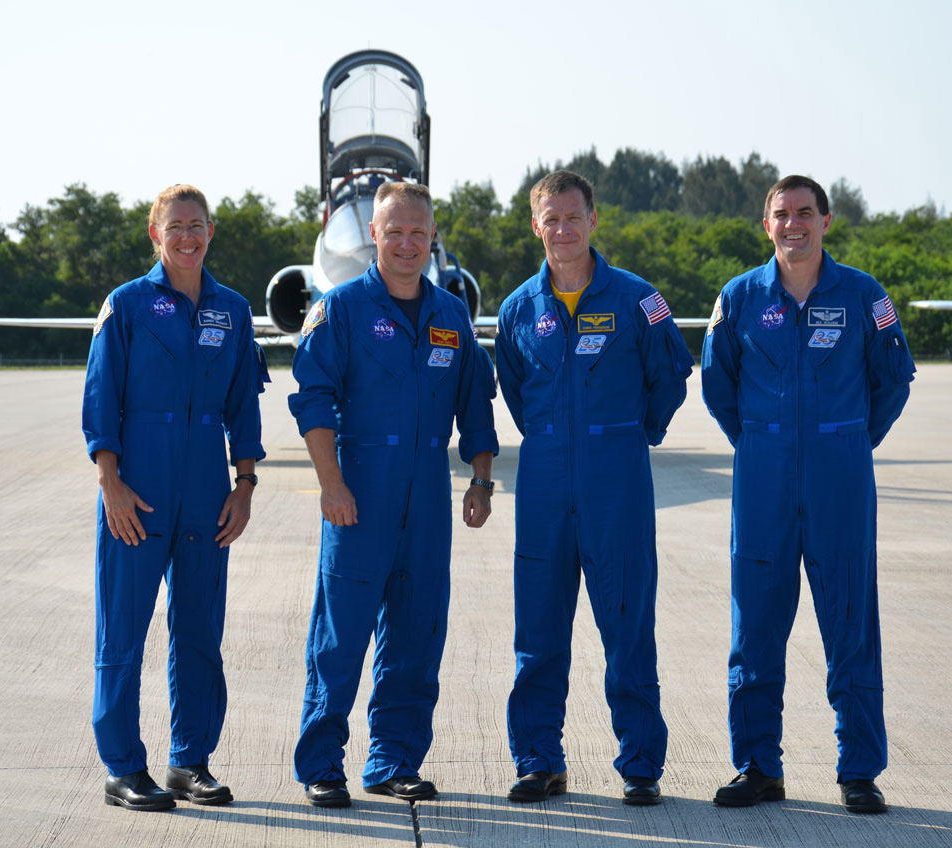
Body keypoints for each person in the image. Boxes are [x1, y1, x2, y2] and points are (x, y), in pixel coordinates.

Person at [701, 175, 915, 814]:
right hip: (762, 483)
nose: (792, 224)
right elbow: (718, 387)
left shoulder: (863, 295)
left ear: (826, 221)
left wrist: (845, 442)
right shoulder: (739, 298)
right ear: (766, 225)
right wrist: (764, 443)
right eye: (780, 214)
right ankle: (758, 765)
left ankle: (858, 770)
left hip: (840, 483)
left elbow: (893, 381)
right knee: (756, 630)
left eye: (804, 213)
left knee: (851, 624)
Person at [288, 181, 498, 808]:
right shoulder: (341, 309)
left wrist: (482, 480)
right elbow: (312, 400)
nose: (407, 243)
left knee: (416, 634)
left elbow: (476, 406)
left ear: (432, 237)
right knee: (340, 638)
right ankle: (322, 765)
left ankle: (394, 761)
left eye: (418, 232)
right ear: (373, 235)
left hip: (428, 500)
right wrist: (331, 484)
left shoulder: (451, 316)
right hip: (359, 493)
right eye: (394, 231)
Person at [494, 170, 693, 806]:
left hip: (617, 485)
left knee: (628, 626)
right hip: (546, 485)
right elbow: (519, 391)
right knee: (539, 632)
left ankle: (639, 763)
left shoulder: (640, 300)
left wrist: (636, 433)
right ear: (536, 225)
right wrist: (555, 439)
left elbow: (672, 371)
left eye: (572, 217)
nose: (562, 229)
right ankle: (538, 761)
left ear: (593, 220)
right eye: (550, 219)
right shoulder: (518, 309)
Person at [82, 185, 268, 811]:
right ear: (154, 234)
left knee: (198, 631)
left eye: (197, 225)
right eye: (175, 226)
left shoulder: (233, 311)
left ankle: (190, 760)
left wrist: (244, 486)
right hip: (137, 491)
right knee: (124, 630)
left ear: (211, 232)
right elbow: (101, 396)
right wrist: (110, 482)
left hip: (207, 493)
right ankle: (122, 767)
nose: (187, 237)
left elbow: (244, 404)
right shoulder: (126, 305)